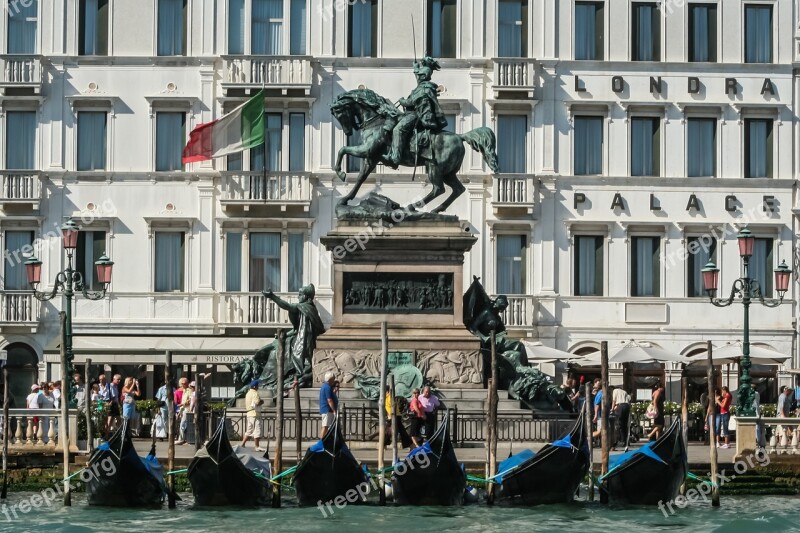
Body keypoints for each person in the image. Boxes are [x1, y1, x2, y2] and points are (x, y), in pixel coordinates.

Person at [387, 56, 448, 167]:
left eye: (419, 75)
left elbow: (412, 101)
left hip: (417, 115)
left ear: (424, 76)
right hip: (413, 113)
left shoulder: (424, 88)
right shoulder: (423, 86)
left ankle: (395, 157)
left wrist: (403, 101)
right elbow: (418, 79)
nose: (417, 77)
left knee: (398, 129)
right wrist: (415, 68)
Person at [241, 380, 265, 451]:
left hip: (249, 413)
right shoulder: (255, 393)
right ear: (255, 387)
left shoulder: (248, 393)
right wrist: (262, 401)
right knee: (257, 429)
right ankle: (257, 446)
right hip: (255, 413)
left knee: (249, 430)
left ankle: (242, 444)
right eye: (258, 385)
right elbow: (256, 403)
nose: (258, 387)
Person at [611, 386, 631, 451]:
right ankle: (625, 441)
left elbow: (614, 400)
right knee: (624, 425)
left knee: (618, 424)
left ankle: (616, 442)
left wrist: (612, 409)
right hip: (627, 406)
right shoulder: (624, 391)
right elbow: (628, 400)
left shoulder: (615, 391)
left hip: (620, 406)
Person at [319, 372, 338, 438]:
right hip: (327, 409)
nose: (334, 380)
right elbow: (329, 400)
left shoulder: (325, 386)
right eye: (333, 379)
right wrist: (334, 410)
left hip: (326, 409)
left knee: (325, 427)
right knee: (325, 427)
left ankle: (323, 442)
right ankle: (321, 442)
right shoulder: (327, 387)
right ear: (330, 379)